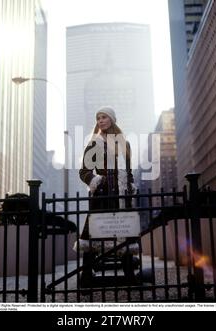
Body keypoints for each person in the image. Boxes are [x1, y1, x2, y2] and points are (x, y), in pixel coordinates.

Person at [78, 106, 137, 286]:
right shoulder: (93, 144)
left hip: (120, 196)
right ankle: (87, 275)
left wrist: (129, 185)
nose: (100, 121)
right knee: (94, 236)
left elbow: (128, 171)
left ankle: (129, 274)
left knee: (124, 234)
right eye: (98, 118)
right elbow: (84, 172)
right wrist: (98, 181)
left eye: (104, 117)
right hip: (102, 196)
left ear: (112, 119)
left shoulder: (124, 143)